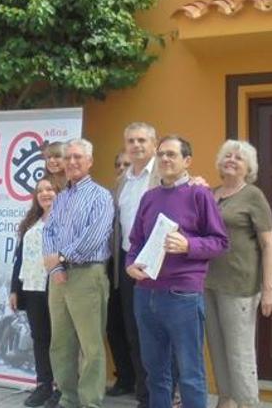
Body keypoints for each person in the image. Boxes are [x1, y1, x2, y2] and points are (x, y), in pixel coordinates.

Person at [126, 135, 229, 408]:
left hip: (182, 294)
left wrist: (188, 245)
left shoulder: (200, 195)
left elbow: (220, 242)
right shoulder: (149, 198)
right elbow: (135, 241)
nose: (165, 159)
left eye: (172, 154)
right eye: (161, 155)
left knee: (190, 372)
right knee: (155, 372)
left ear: (187, 161)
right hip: (145, 293)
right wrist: (130, 264)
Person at [42, 139, 115, 408]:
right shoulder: (60, 198)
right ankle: (67, 398)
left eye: (78, 157)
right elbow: (48, 233)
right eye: (68, 157)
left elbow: (95, 237)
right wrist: (58, 266)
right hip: (59, 278)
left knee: (91, 346)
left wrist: (61, 257)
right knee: (61, 343)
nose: (71, 162)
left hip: (87, 275)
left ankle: (90, 402)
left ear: (90, 161)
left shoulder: (101, 196)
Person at [206, 140, 272, 408]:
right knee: (217, 348)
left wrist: (268, 289)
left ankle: (248, 402)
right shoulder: (211, 194)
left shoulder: (253, 196)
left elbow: (268, 245)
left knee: (239, 352)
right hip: (208, 283)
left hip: (240, 286)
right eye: (227, 155)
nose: (232, 160)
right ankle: (226, 401)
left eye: (239, 157)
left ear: (248, 167)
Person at [110, 123, 160, 404]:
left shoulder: (164, 174)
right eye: (131, 140)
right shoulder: (122, 182)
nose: (136, 145)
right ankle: (145, 394)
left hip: (161, 266)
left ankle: (164, 392)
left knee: (159, 332)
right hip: (129, 265)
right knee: (134, 331)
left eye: (142, 139)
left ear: (154, 143)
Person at [9, 177, 60, 407]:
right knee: (39, 338)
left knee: (60, 340)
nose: (45, 194)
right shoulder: (31, 221)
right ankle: (43, 385)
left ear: (58, 192)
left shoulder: (64, 220)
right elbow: (19, 259)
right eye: (40, 190)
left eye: (50, 189)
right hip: (31, 287)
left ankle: (61, 387)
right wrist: (14, 290)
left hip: (56, 287)